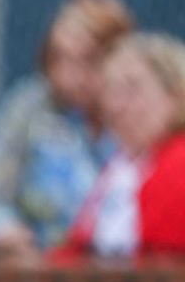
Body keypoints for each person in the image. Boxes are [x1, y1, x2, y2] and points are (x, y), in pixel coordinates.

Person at [0, 0, 136, 262]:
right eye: (60, 58)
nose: (69, 76)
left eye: (88, 60)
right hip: (40, 275)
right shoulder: (30, 109)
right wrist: (8, 235)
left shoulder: (138, 116)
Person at [53, 32, 185, 261]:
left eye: (132, 89)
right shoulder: (122, 166)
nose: (116, 106)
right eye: (110, 91)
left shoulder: (178, 163)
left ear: (173, 94)